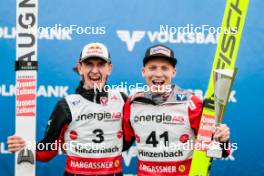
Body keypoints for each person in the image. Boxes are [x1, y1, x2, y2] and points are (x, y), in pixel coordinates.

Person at [8, 42, 132, 176]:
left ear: (109, 68)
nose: (95, 71)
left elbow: (127, 141)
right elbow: (48, 151)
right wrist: (25, 147)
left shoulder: (122, 100)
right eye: (89, 64)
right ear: (80, 68)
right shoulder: (66, 105)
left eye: (101, 65)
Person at [123, 44, 230, 176]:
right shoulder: (133, 103)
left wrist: (222, 140)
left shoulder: (191, 103)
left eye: (164, 68)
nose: (158, 74)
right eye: (152, 68)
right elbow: (122, 144)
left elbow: (217, 152)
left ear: (173, 72)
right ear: (143, 71)